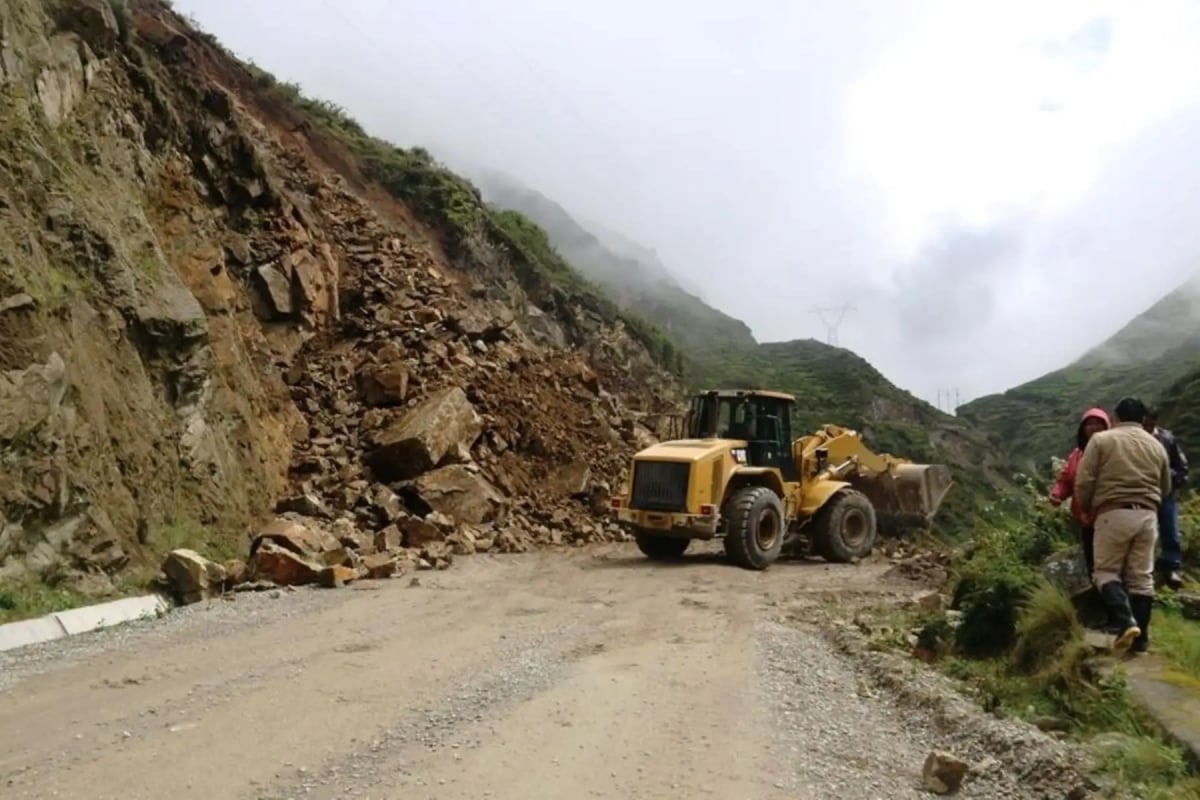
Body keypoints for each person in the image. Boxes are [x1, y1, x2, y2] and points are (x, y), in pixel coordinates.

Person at [1075, 396, 1172, 656]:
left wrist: (1086, 507)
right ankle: (1141, 641)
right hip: (1148, 515)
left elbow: (1084, 480)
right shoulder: (1157, 446)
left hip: (1113, 512)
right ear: (1142, 419)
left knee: (1105, 572)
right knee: (1142, 578)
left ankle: (1125, 621)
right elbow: (1166, 488)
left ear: (1115, 418)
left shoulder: (1102, 440)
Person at [1048, 407, 1112, 576]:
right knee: (1094, 565)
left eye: (1099, 423)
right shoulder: (1076, 455)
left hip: (1110, 516)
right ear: (1083, 429)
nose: (1094, 427)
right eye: (1089, 424)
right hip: (1086, 520)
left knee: (1112, 563)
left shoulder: (1114, 451)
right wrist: (1057, 494)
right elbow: (1066, 480)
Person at [1143, 408, 1188, 591]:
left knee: (1170, 529)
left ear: (1155, 421)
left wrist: (1172, 478)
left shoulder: (1167, 438)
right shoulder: (1134, 439)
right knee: (1145, 533)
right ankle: (1146, 569)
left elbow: (1181, 466)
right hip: (1143, 493)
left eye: (1149, 423)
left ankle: (1171, 568)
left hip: (1166, 493)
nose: (1146, 427)